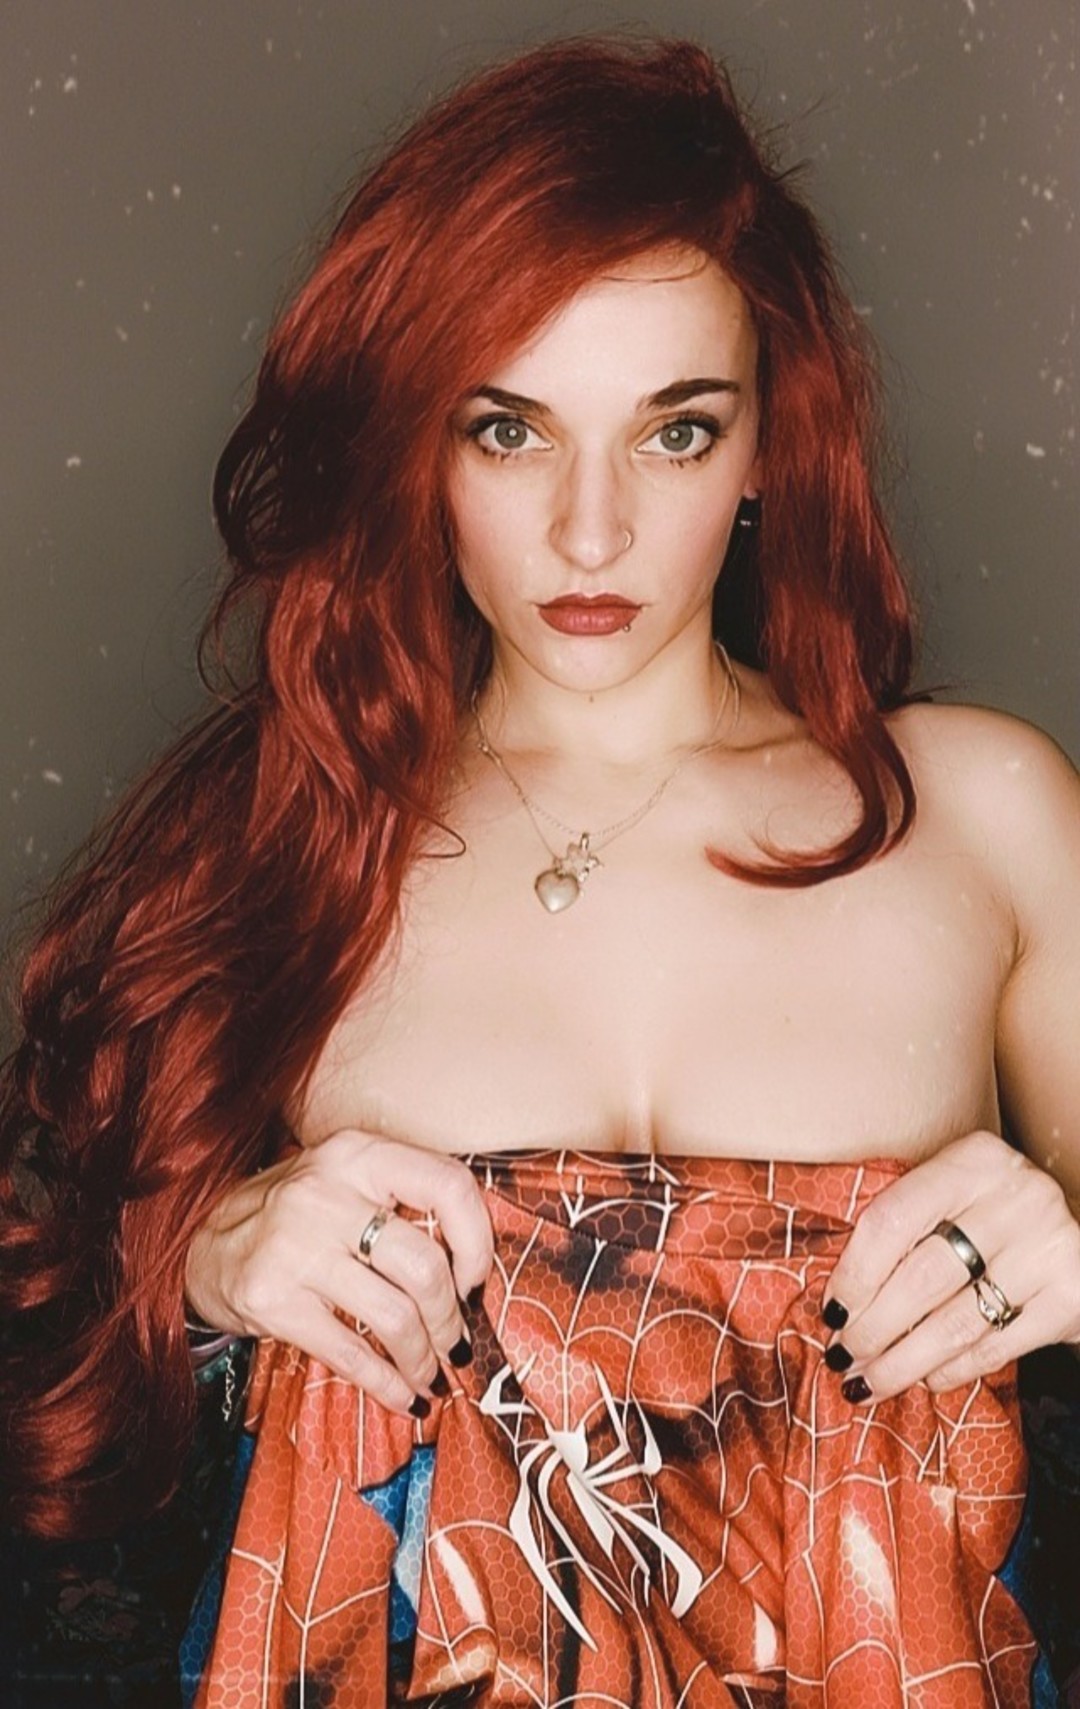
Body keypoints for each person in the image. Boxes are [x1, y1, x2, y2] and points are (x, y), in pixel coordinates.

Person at [2, 33, 1078, 1709]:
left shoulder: (985, 813)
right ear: (417, 445)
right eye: (509, 429)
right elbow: (57, 1322)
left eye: (675, 431)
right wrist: (198, 1265)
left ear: (769, 444)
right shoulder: (286, 828)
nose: (591, 531)